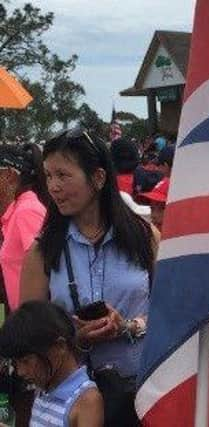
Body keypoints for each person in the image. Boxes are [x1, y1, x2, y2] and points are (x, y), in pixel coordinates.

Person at [19, 128, 160, 426]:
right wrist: (74, 338)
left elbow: (171, 310)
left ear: (97, 178)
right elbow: (28, 337)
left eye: (63, 175)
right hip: (73, 403)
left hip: (145, 392)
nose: (53, 186)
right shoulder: (42, 252)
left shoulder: (145, 238)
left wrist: (129, 326)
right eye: (48, 175)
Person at [0, 301, 103, 426]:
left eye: (26, 361)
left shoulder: (86, 400)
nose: (20, 371)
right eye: (16, 363)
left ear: (60, 347)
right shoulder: (42, 389)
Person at [0, 144, 48, 312]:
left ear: (10, 176)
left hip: (32, 323)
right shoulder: (15, 212)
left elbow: (45, 268)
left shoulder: (27, 211)